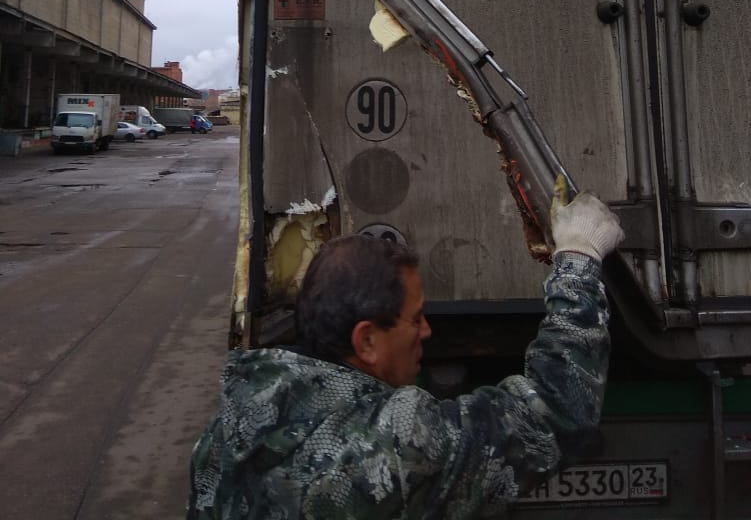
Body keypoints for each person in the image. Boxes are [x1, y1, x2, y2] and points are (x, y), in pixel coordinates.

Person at [187, 184, 623, 519]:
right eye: (415, 319)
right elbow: (555, 412)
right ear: (367, 341)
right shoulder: (393, 445)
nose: (427, 330)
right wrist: (579, 258)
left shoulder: (226, 431)